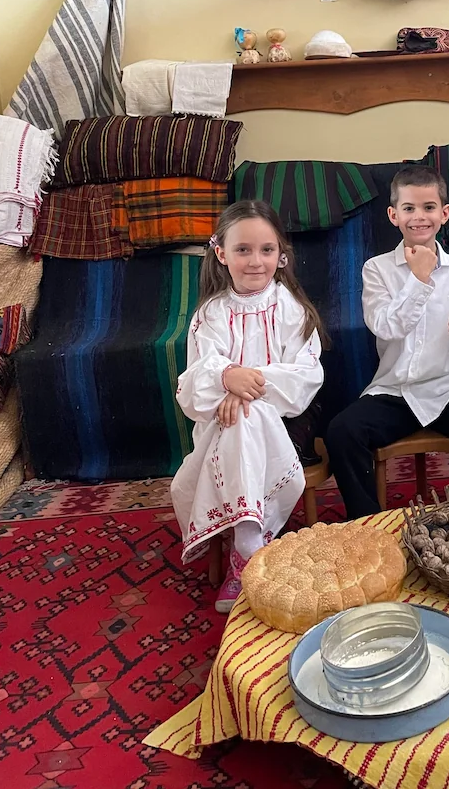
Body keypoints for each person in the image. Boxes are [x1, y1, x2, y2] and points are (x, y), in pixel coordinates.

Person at [326, 166, 449, 518]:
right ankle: (368, 525)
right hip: (394, 392)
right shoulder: (377, 269)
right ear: (393, 215)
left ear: (444, 213)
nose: (419, 216)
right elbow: (385, 327)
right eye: (409, 208)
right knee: (342, 432)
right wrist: (419, 280)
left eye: (429, 207)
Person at [171, 200, 326, 612]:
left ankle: (246, 548)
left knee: (248, 412)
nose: (255, 261)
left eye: (266, 250)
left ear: (280, 255)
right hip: (220, 424)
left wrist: (242, 382)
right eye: (243, 250)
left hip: (288, 422)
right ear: (222, 254)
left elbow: (305, 379)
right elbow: (192, 384)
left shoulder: (292, 310)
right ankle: (249, 540)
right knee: (242, 418)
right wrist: (225, 377)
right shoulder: (211, 314)